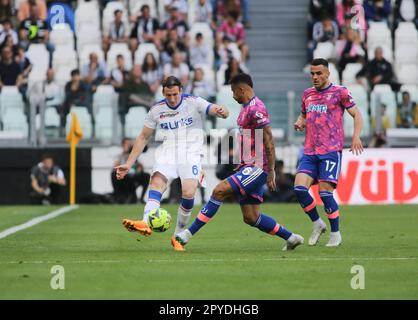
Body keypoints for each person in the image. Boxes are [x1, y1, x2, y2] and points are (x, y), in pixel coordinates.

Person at [175, 73, 304, 252]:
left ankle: (186, 235)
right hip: (247, 165)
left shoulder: (256, 108)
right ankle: (291, 238)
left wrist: (271, 169)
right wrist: (241, 161)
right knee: (251, 217)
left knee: (219, 191)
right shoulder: (245, 108)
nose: (233, 96)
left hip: (259, 167)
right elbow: (251, 138)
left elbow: (268, 138)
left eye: (234, 91)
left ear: (242, 89)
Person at [116, 76, 230, 251]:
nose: (172, 98)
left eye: (175, 94)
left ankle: (178, 235)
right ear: (163, 92)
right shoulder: (156, 110)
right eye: (168, 95)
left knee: (189, 191)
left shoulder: (192, 101)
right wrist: (129, 163)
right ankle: (145, 222)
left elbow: (212, 108)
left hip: (191, 153)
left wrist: (221, 110)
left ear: (181, 91)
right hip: (168, 153)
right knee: (156, 183)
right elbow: (143, 137)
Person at [293, 58, 363, 247]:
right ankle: (317, 223)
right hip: (310, 151)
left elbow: (357, 114)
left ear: (327, 74)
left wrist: (356, 137)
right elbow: (304, 114)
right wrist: (300, 121)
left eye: (318, 73)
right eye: (312, 73)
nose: (315, 77)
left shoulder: (340, 92)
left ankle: (336, 233)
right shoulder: (307, 94)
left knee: (325, 193)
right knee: (299, 189)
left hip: (331, 151)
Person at [111, 138, 150, 204]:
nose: (130, 145)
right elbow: (115, 167)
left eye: (130, 144)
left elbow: (141, 168)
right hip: (124, 178)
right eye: (128, 144)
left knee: (146, 175)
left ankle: (141, 198)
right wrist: (123, 153)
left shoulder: (134, 155)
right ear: (123, 145)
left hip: (133, 177)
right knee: (113, 174)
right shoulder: (120, 155)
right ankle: (117, 197)